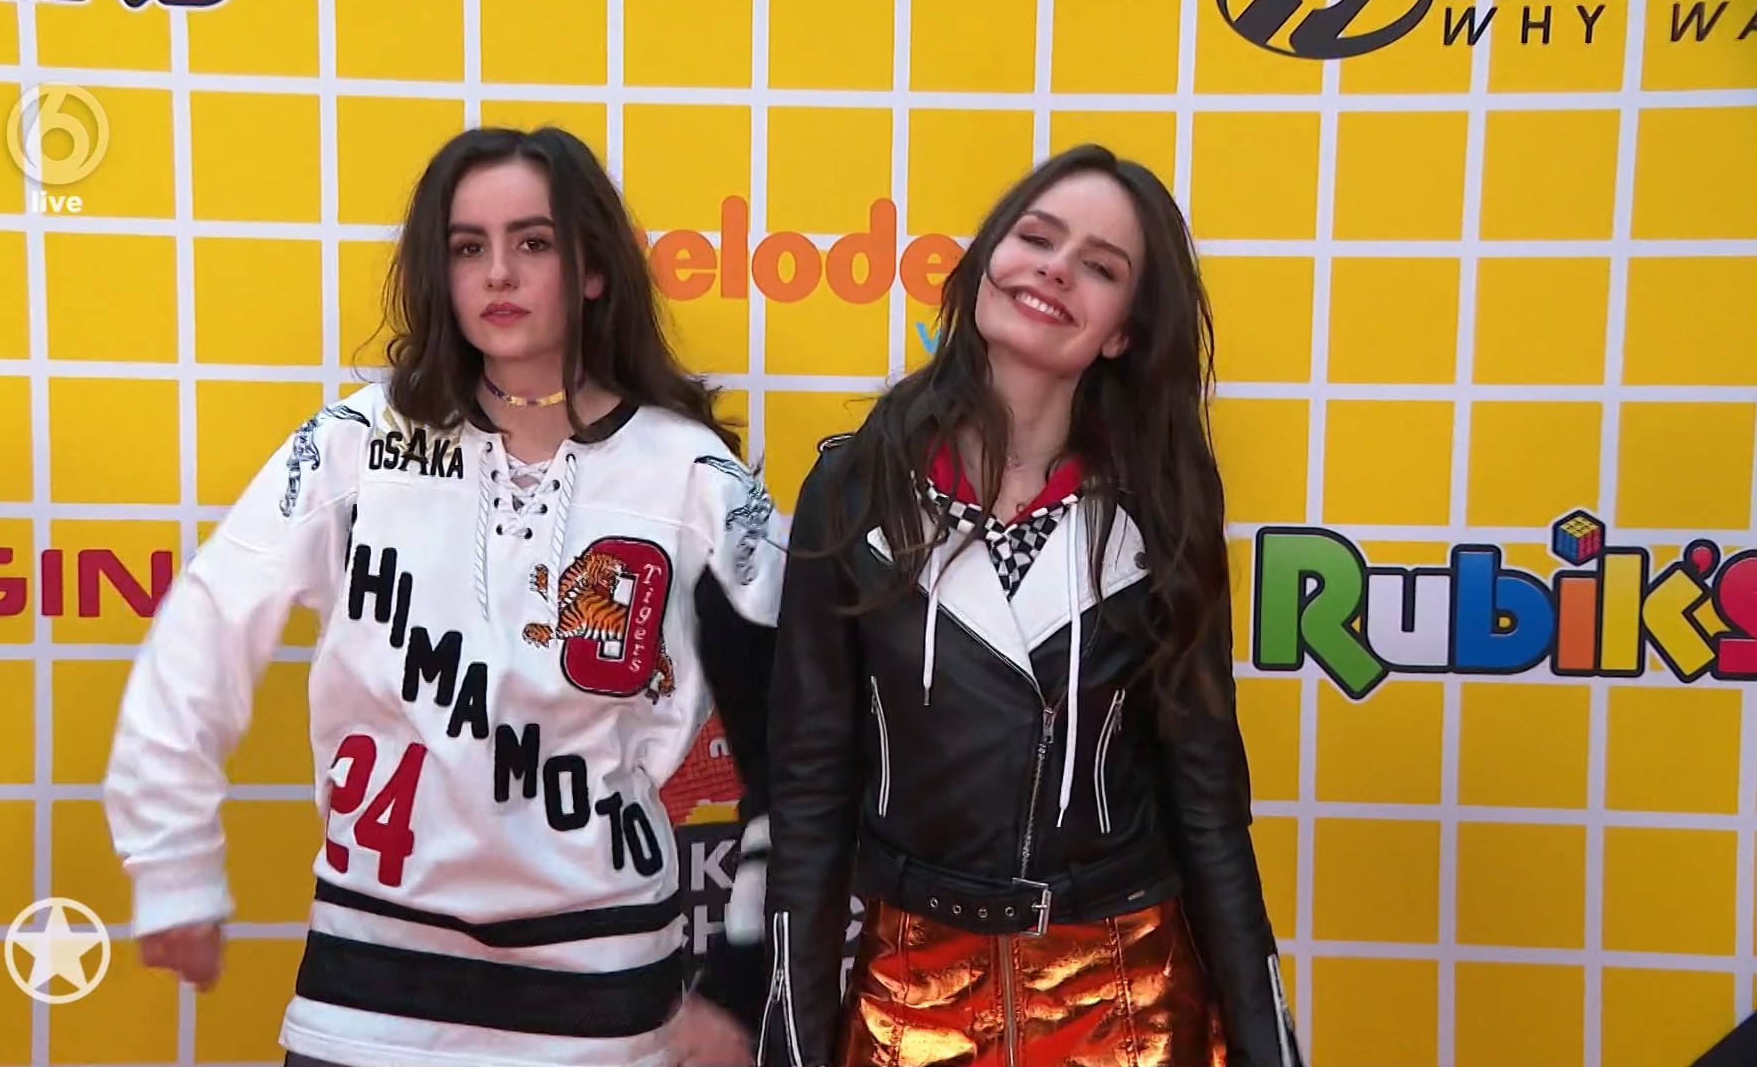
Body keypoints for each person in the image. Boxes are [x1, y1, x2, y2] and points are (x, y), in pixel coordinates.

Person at [102, 125, 781, 1067]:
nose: (498, 273)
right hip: (366, 1004)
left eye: (533, 242)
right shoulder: (359, 444)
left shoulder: (693, 478)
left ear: (593, 270)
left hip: (606, 1008)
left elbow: (798, 749)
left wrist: (744, 980)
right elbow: (201, 634)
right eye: (468, 247)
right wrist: (173, 865)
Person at [758, 144, 1304, 1067]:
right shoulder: (857, 489)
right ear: (986, 262)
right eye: (1037, 238)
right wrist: (794, 1047)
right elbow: (809, 795)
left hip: (1127, 1004)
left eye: (1101, 267)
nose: (1055, 269)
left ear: (1122, 332)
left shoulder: (1161, 506)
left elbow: (1207, 799)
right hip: (909, 1002)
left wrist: (1266, 1041)